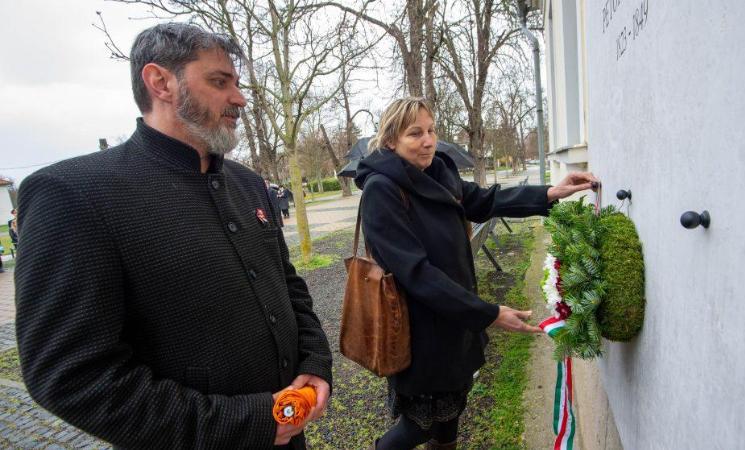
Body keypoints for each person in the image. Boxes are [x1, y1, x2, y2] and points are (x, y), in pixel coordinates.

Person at [14, 23, 331, 449]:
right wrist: (245, 423)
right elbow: (71, 376)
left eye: (236, 83)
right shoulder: (74, 194)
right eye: (220, 82)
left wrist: (314, 360)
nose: (239, 99)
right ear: (160, 82)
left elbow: (287, 283)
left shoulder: (248, 183)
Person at [353, 97, 598, 449]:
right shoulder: (382, 190)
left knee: (451, 415)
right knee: (420, 425)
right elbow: (417, 274)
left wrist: (549, 193)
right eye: (415, 134)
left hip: (455, 322)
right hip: (422, 332)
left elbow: (484, 200)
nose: (428, 141)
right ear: (391, 141)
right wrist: (489, 314)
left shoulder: (438, 171)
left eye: (431, 130)